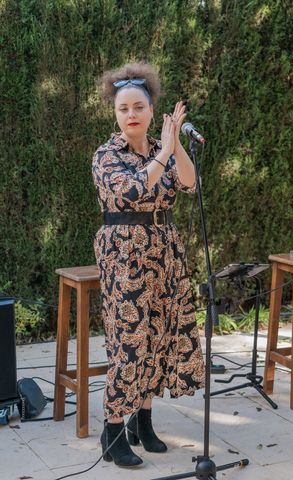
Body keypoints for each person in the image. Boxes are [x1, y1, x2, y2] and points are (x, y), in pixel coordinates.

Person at [92, 62, 205, 467]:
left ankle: (144, 420)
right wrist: (162, 152)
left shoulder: (164, 148)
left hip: (165, 249)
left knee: (159, 335)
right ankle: (112, 429)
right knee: (129, 341)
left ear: (152, 111)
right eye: (123, 109)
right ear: (115, 113)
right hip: (125, 252)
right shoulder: (106, 155)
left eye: (138, 106)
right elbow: (136, 188)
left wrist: (174, 147)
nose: (131, 114)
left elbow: (189, 184)